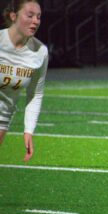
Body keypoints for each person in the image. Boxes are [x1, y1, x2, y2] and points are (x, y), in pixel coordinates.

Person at [0, 0, 47, 162]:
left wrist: (29, 130)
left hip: (3, 116)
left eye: (39, 17)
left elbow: (35, 93)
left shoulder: (40, 51)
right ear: (13, 16)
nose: (36, 21)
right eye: (30, 15)